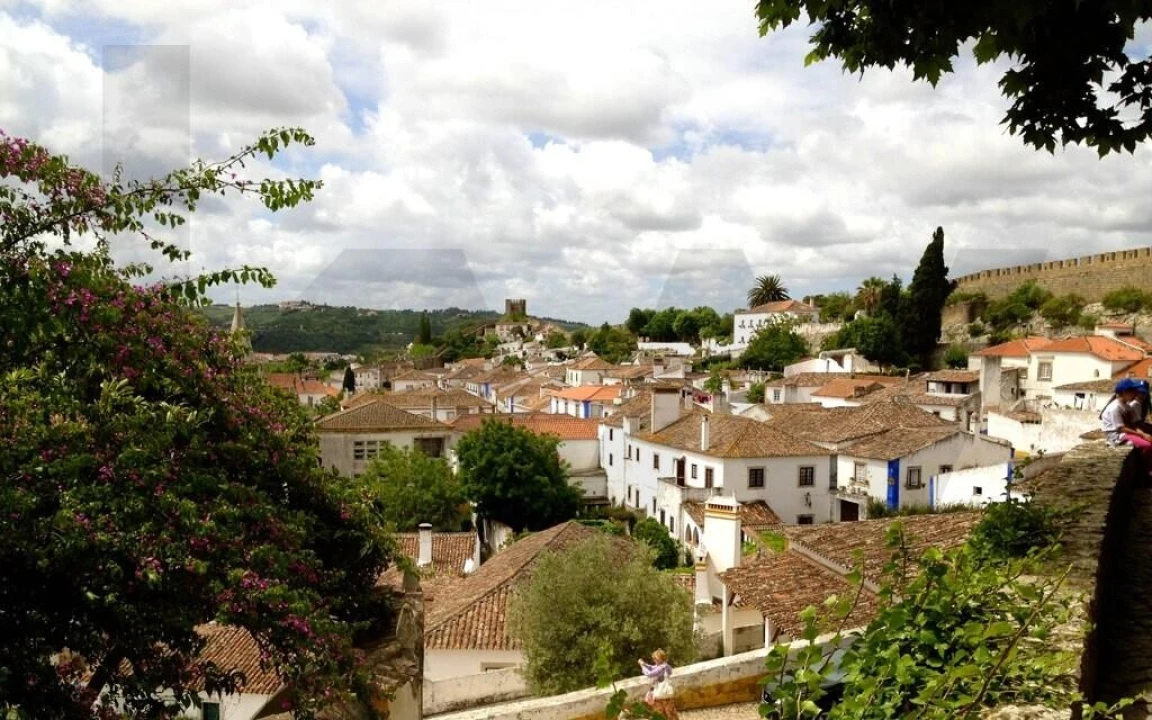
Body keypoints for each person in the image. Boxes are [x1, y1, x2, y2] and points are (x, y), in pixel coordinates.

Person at [1101, 378, 1152, 459]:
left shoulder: (1127, 406)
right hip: (1116, 436)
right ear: (1125, 392)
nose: (1135, 394)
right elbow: (1121, 429)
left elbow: (1133, 425)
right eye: (1133, 392)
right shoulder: (1115, 407)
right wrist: (1142, 434)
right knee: (1147, 446)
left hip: (1125, 433)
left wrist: (1144, 434)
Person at [638, 649, 678, 719]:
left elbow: (649, 674)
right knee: (670, 713)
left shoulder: (661, 668)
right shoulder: (665, 666)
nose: (654, 660)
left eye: (655, 658)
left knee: (664, 715)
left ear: (660, 658)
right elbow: (651, 667)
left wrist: (642, 666)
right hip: (665, 695)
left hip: (661, 695)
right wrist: (644, 664)